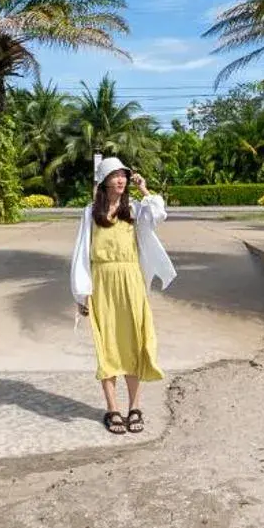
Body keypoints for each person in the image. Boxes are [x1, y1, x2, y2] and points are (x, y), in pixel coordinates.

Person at [69, 155, 175, 435]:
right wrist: (82, 293)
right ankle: (113, 409)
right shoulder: (91, 212)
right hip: (102, 283)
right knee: (107, 346)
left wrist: (144, 188)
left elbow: (159, 214)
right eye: (115, 175)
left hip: (131, 282)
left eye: (124, 175)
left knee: (135, 343)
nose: (121, 180)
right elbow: (81, 252)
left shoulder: (136, 210)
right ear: (104, 181)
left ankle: (135, 407)